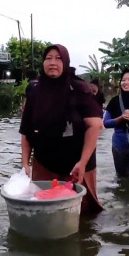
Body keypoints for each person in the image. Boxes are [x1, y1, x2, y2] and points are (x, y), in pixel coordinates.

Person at [20, 44, 104, 213]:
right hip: (44, 163)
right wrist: (25, 165)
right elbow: (26, 131)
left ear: (66, 62)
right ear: (43, 63)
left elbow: (95, 126)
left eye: (58, 59)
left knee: (84, 213)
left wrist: (82, 162)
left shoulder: (79, 89)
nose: (53, 62)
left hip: (77, 166)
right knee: (42, 211)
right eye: (48, 58)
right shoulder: (34, 90)